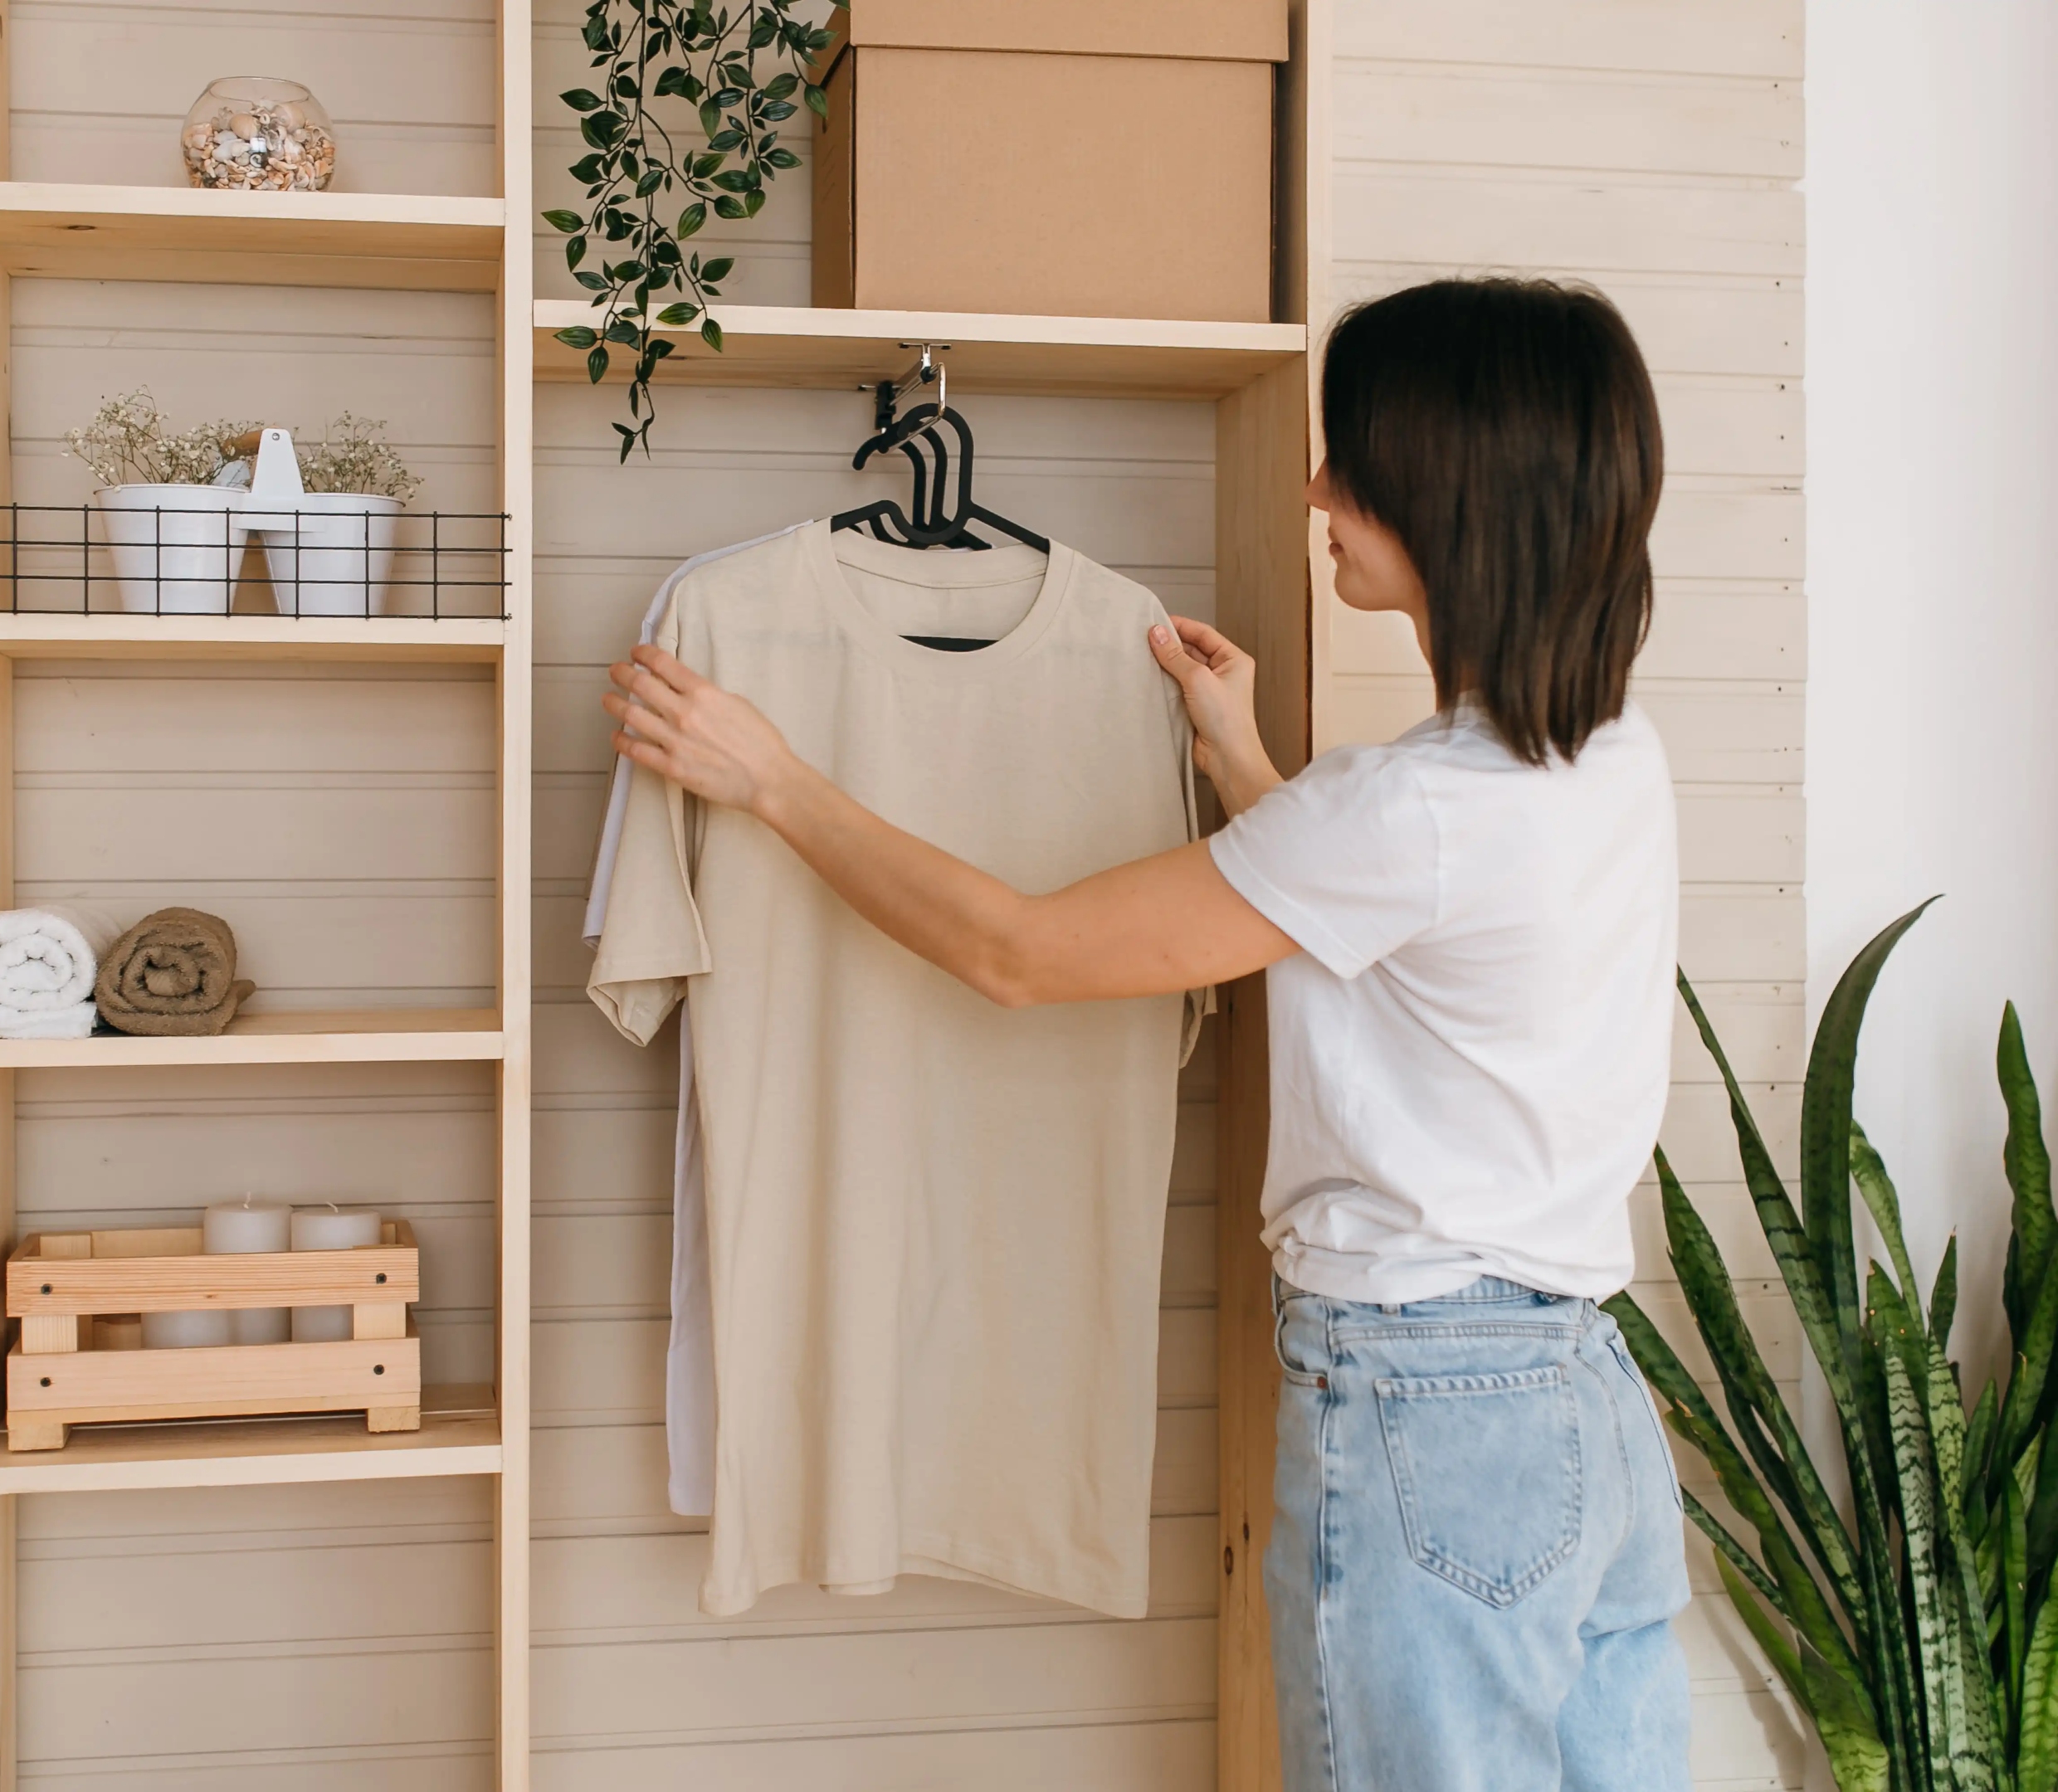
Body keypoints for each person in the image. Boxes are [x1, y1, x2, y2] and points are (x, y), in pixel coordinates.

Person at [602, 276, 1689, 1791]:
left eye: (1349, 461)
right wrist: (1248, 764)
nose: (1316, 488)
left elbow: (1019, 953)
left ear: (1448, 497)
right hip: (1581, 1404)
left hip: (1423, 1418)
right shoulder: (1603, 761)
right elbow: (1396, 931)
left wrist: (775, 778)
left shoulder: (1406, 811)